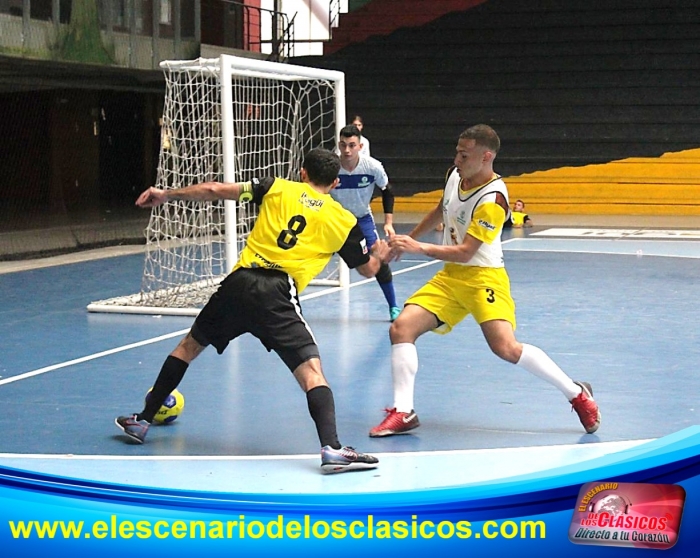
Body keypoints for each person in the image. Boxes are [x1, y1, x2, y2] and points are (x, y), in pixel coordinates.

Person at [116, 148, 390, 474]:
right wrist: (381, 254)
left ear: (302, 173)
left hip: (239, 284)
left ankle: (142, 421)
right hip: (278, 295)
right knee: (312, 373)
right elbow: (367, 270)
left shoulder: (277, 187)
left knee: (188, 347)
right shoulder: (343, 220)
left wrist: (166, 194)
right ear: (334, 182)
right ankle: (331, 448)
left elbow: (216, 189)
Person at [369, 124, 601, 437]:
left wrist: (419, 247)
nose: (457, 158)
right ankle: (403, 411)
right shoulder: (455, 174)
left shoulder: (493, 200)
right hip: (451, 278)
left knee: (506, 348)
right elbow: (443, 208)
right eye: (457, 151)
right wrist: (406, 240)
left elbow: (466, 253)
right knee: (401, 328)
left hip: (483, 278)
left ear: (486, 156)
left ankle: (576, 393)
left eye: (464, 154)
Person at [334, 124, 401, 321]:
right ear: (339, 144)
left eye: (352, 145)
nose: (347, 150)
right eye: (343, 145)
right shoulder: (332, 166)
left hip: (361, 218)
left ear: (360, 146)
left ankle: (393, 307)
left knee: (377, 256)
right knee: (306, 254)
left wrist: (388, 222)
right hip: (334, 220)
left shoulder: (372, 167)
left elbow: (387, 190)